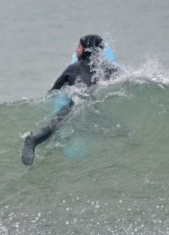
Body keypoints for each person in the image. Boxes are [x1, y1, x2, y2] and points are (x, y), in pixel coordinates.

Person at [21, 34, 118, 166]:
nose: (76, 50)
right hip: (77, 105)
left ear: (87, 50)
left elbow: (54, 90)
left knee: (55, 125)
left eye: (79, 47)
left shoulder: (74, 68)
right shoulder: (106, 69)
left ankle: (35, 139)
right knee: (56, 124)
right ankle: (32, 140)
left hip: (82, 105)